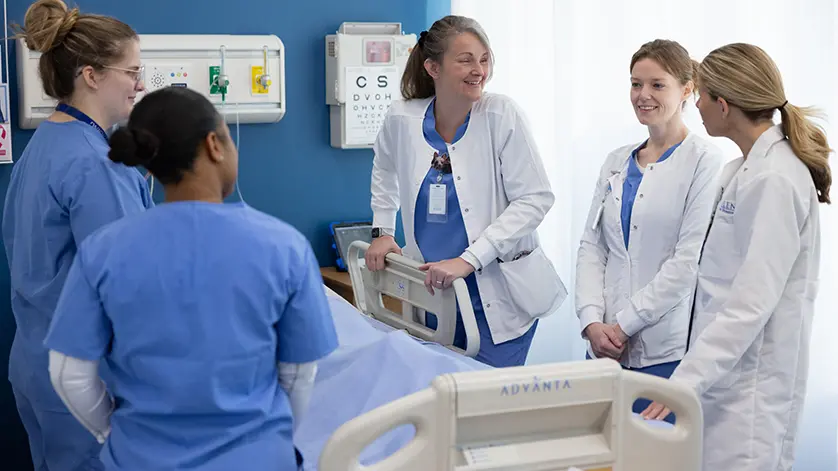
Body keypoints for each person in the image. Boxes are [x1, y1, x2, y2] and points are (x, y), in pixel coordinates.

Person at [41, 86, 339, 471]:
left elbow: (69, 375)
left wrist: (115, 433)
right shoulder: (284, 247)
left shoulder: (103, 250)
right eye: (229, 140)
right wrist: (267, 437)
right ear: (214, 145)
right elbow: (299, 374)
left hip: (140, 458)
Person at [641, 43, 831, 471]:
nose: (698, 103)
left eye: (702, 94)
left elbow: (750, 304)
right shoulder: (742, 171)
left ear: (723, 105)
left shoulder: (775, 180)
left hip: (752, 395)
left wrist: (683, 381)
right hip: (723, 382)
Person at [365, 15, 565, 368]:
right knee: (440, 402)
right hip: (433, 292)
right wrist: (383, 232)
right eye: (465, 60)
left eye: (484, 59)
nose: (479, 70)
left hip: (499, 293)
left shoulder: (500, 115)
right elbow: (383, 168)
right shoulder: (403, 119)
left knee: (487, 408)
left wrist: (467, 261)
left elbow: (535, 198)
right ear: (432, 67)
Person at [2, 1, 152, 469]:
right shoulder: (95, 163)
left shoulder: (46, 144)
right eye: (131, 71)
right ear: (91, 75)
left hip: (35, 365)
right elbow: (127, 285)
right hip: (85, 381)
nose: (141, 84)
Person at [575, 39, 724, 423]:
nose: (643, 95)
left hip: (662, 353)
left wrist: (624, 325)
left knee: (655, 457)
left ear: (687, 89)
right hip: (602, 349)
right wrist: (591, 321)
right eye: (635, 84)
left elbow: (687, 261)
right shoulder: (617, 161)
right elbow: (593, 247)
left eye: (657, 85)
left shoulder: (704, 161)